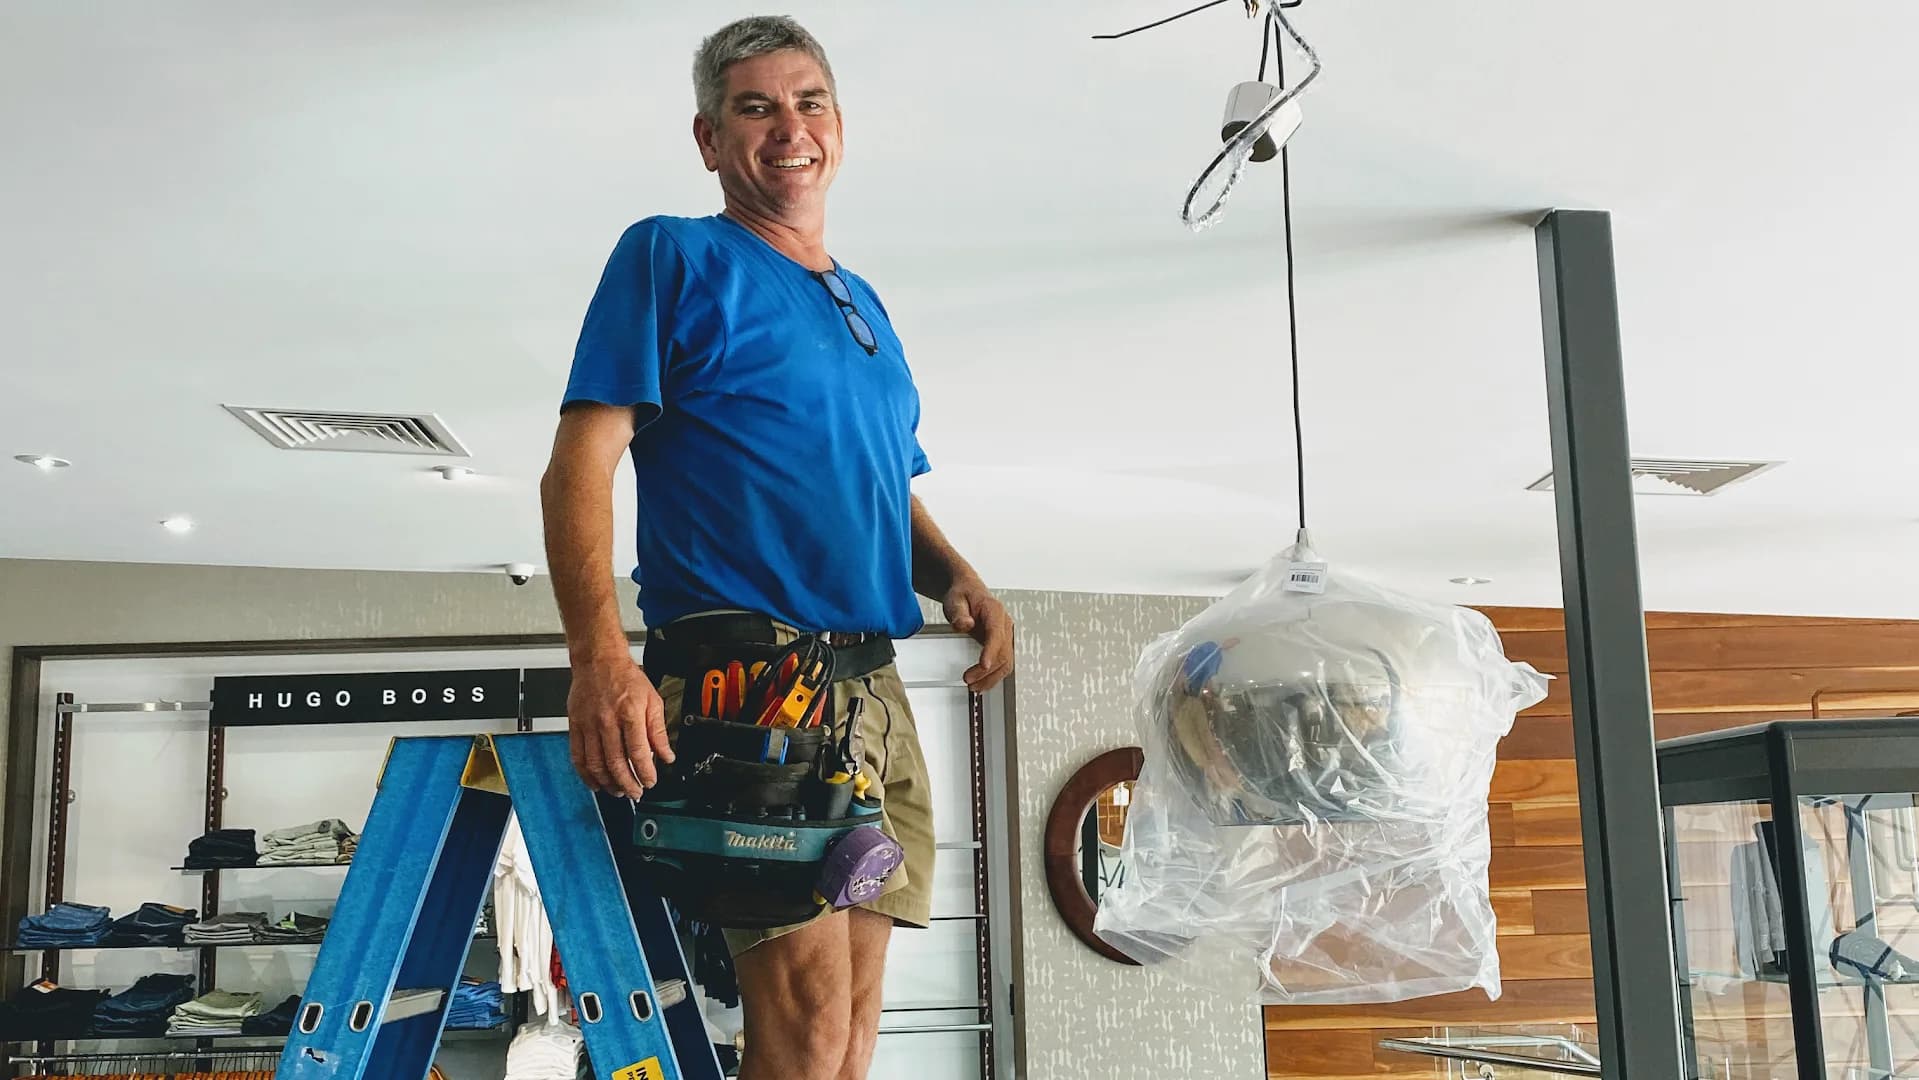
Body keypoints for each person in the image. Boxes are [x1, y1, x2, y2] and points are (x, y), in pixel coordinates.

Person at [538, 14, 1014, 1080]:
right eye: (753, 107)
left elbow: (881, 486)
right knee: (797, 1038)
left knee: (846, 1040)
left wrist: (957, 576)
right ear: (709, 140)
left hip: (870, 682)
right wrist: (598, 657)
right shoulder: (674, 253)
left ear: (838, 127)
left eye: (808, 104)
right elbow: (579, 462)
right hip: (749, 674)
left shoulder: (864, 304)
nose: (786, 127)